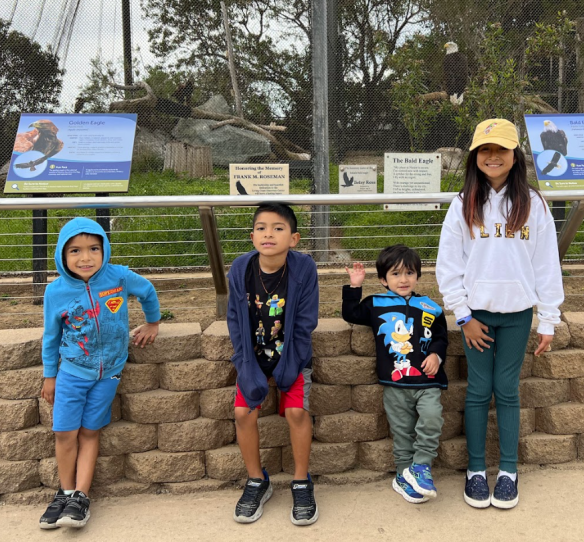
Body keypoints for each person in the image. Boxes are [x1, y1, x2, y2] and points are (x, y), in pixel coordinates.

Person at [436, 118, 564, 510]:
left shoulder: (534, 204)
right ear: (475, 157)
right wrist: (463, 315)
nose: (493, 157)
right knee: (477, 391)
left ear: (515, 156)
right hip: (475, 316)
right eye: (485, 150)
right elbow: (449, 266)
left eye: (501, 150)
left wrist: (549, 318)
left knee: (507, 391)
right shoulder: (462, 205)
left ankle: (507, 470)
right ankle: (476, 471)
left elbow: (546, 266)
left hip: (517, 315)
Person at [39, 217, 160, 529]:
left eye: (94, 248)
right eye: (75, 251)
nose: (86, 257)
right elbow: (51, 337)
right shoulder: (56, 291)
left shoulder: (117, 277)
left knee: (91, 432)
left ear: (104, 248)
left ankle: (80, 497)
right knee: (65, 433)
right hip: (72, 374)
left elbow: (146, 290)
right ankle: (63, 493)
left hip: (109, 375)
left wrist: (152, 322)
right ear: (62, 256)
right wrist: (49, 375)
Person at [227, 202, 319, 525]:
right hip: (252, 357)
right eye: (262, 228)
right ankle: (257, 480)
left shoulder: (304, 268)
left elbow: (306, 322)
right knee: (242, 412)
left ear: (293, 238)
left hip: (291, 356)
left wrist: (288, 367)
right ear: (252, 235)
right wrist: (245, 364)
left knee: (296, 411)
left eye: (278, 228)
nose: (269, 234)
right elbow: (235, 321)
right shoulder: (240, 269)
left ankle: (301, 480)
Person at [342, 245, 448, 504]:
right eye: (396, 274)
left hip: (427, 381)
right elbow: (351, 314)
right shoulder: (376, 304)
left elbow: (441, 338)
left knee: (432, 419)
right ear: (383, 279)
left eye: (409, 273)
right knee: (402, 433)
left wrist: (436, 355)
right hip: (395, 382)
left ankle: (421, 466)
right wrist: (355, 287)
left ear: (418, 276)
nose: (403, 279)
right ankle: (403, 476)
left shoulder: (431, 307)